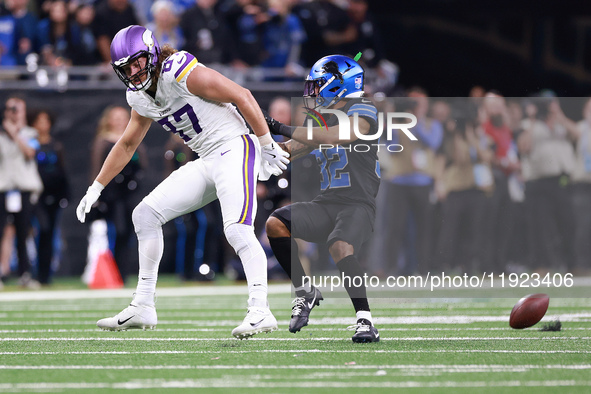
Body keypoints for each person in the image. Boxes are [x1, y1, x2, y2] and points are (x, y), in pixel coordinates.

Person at [76, 25, 289, 338]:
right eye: (126, 68)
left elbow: (242, 95)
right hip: (206, 158)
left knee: (237, 229)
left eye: (137, 63)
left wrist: (267, 144)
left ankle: (261, 310)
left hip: (234, 146)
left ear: (151, 55)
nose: (133, 72)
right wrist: (96, 187)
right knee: (145, 214)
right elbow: (126, 144)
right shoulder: (138, 96)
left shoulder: (178, 71)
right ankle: (143, 305)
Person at [264, 54, 380, 343]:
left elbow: (337, 136)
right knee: (276, 224)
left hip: (358, 204)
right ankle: (305, 292)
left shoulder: (364, 109)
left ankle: (365, 320)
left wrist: (279, 126)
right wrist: (257, 146)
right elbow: (291, 149)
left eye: (318, 85)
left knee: (339, 246)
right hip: (327, 202)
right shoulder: (321, 118)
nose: (313, 92)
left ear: (337, 85)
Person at [90, 106, 146, 282]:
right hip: (112, 194)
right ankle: (111, 273)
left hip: (130, 193)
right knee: (116, 231)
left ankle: (124, 272)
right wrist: (94, 193)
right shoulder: (103, 141)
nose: (120, 121)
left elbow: (142, 165)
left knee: (129, 232)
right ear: (108, 120)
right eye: (115, 117)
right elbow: (96, 169)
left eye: (123, 117)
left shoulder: (133, 138)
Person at [0, 96, 43, 288]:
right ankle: (2, 271)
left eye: (19, 109)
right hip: (4, 188)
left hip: (24, 189)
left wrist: (15, 134)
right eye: (12, 109)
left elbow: (30, 152)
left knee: (23, 231)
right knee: (2, 232)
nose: (15, 113)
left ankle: (24, 273)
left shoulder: (30, 133)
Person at [32, 109, 69, 285]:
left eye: (45, 121)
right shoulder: (30, 144)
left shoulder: (57, 145)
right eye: (39, 121)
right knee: (40, 231)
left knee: (49, 233)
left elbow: (62, 171)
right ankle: (33, 273)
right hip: (35, 195)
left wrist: (64, 194)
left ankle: (45, 275)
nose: (42, 125)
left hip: (53, 196)